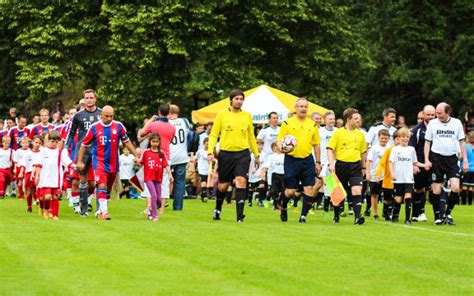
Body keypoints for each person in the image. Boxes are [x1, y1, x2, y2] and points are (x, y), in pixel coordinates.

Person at [78, 105, 139, 220]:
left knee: (107, 190)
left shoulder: (119, 126)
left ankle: (100, 210)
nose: (109, 118)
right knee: (102, 184)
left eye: (111, 116)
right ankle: (104, 213)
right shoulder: (94, 127)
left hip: (113, 163)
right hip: (99, 161)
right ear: (101, 116)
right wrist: (80, 161)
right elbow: (83, 145)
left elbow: (127, 141)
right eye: (106, 116)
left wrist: (136, 155)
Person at [207, 89, 259, 222]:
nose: (239, 101)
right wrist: (210, 151)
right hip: (226, 154)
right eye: (236, 99)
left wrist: (256, 154)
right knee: (223, 185)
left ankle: (240, 216)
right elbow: (213, 135)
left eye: (241, 99)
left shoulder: (247, 115)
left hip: (243, 153)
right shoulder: (222, 115)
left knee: (241, 181)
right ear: (231, 100)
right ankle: (218, 209)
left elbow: (251, 136)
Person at [276, 98, 321, 223]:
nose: (303, 108)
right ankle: (284, 205)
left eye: (305, 106)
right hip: (291, 160)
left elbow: (316, 144)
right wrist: (282, 149)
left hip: (307, 160)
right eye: (300, 106)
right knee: (290, 192)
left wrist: (318, 162)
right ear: (295, 108)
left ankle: (303, 216)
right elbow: (279, 140)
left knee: (309, 189)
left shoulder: (312, 124)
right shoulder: (287, 123)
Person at [424, 102, 468, 225]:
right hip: (436, 158)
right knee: (436, 189)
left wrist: (464, 160)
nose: (437, 115)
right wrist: (427, 160)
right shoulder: (432, 124)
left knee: (455, 186)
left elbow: (462, 142)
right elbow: (427, 143)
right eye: (436, 113)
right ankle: (438, 216)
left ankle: (448, 213)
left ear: (447, 112)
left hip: (452, 159)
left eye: (439, 113)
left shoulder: (456, 123)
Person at [327, 108, 367, 224]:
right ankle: (336, 215)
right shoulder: (338, 133)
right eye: (355, 119)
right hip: (341, 165)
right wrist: (331, 164)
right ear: (348, 120)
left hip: (355, 166)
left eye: (358, 118)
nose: (358, 121)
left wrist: (363, 167)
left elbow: (363, 152)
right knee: (338, 193)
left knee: (357, 190)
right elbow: (330, 149)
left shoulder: (360, 134)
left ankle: (357, 217)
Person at [66, 89, 102, 216]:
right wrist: (66, 147)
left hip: (98, 151)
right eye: (87, 98)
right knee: (82, 180)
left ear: (95, 99)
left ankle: (95, 206)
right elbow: (71, 133)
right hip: (83, 151)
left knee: (94, 183)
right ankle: (84, 210)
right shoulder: (78, 115)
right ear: (84, 99)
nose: (89, 100)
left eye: (91, 97)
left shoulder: (102, 114)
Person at [139, 104, 175, 213]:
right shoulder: (172, 127)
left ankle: (148, 207)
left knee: (149, 180)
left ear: (159, 112)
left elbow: (141, 133)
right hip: (165, 156)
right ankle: (162, 208)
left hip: (151, 156)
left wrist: (151, 119)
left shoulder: (154, 125)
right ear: (168, 113)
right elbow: (171, 141)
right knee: (164, 183)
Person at [33, 130, 74, 220]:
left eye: (56, 142)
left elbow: (66, 160)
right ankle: (46, 210)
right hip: (45, 178)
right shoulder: (43, 151)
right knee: (47, 197)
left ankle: (55, 214)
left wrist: (72, 165)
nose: (54, 144)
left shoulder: (60, 152)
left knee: (55, 196)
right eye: (52, 141)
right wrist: (37, 175)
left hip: (56, 178)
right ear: (47, 141)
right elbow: (39, 163)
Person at [389, 127, 425, 224]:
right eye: (403, 137)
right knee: (398, 198)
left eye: (407, 137)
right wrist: (392, 173)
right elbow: (391, 162)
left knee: (408, 196)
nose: (405, 139)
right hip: (398, 178)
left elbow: (415, 162)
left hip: (408, 178)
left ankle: (407, 219)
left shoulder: (411, 149)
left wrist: (424, 165)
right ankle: (395, 216)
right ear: (399, 138)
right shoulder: (395, 149)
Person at [409, 105, 436, 222]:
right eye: (428, 115)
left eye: (432, 115)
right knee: (418, 189)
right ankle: (415, 213)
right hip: (420, 164)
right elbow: (411, 148)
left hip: (434, 164)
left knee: (431, 189)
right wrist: (414, 164)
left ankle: (423, 212)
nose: (430, 117)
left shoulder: (438, 128)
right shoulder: (417, 130)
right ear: (423, 115)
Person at [140, 133, 173, 221]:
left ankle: (150, 210)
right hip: (148, 178)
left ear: (159, 142)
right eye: (153, 141)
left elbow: (166, 165)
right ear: (150, 142)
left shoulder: (161, 153)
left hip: (158, 178)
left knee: (158, 198)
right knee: (153, 195)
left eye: (157, 142)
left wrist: (170, 174)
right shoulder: (146, 152)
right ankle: (155, 216)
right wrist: (137, 161)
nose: (155, 144)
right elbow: (141, 162)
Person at [168, 104, 191, 211]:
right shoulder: (184, 121)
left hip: (170, 155)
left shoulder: (167, 122)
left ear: (170, 113)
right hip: (182, 156)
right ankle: (178, 206)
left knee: (164, 180)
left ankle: (161, 203)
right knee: (180, 182)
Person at [365, 129, 390, 220]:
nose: (384, 140)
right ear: (378, 138)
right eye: (382, 138)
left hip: (386, 175)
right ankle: (375, 213)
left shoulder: (389, 148)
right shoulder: (374, 148)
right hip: (375, 175)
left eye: (386, 138)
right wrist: (368, 173)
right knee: (375, 194)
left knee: (387, 195)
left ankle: (386, 212)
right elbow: (369, 161)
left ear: (388, 139)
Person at [19, 135, 42, 212]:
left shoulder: (42, 153)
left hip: (39, 173)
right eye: (36, 142)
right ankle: (29, 205)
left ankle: (38, 200)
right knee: (29, 192)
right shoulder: (28, 153)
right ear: (32, 142)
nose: (37, 144)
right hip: (29, 173)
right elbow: (23, 163)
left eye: (39, 143)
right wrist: (21, 172)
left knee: (38, 189)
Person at [461, 131, 474, 205]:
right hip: (473, 169)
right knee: (471, 187)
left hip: (466, 168)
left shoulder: (465, 146)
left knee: (464, 186)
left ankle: (463, 203)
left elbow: (461, 157)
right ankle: (469, 203)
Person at [196, 137, 211, 203]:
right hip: (201, 169)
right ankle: (204, 196)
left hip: (208, 169)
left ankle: (202, 195)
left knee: (207, 183)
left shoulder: (210, 152)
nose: (207, 145)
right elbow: (196, 158)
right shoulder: (200, 151)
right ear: (204, 144)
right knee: (203, 182)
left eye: (209, 144)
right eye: (207, 144)